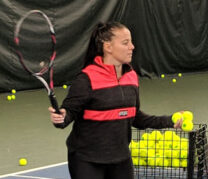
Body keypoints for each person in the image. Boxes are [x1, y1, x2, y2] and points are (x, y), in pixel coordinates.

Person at [48, 21, 183, 179]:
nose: (132, 47)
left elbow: (134, 116)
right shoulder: (87, 78)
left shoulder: (131, 77)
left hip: (120, 159)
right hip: (87, 160)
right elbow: (68, 114)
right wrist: (60, 117)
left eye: (131, 42)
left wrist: (169, 121)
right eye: (125, 43)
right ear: (108, 47)